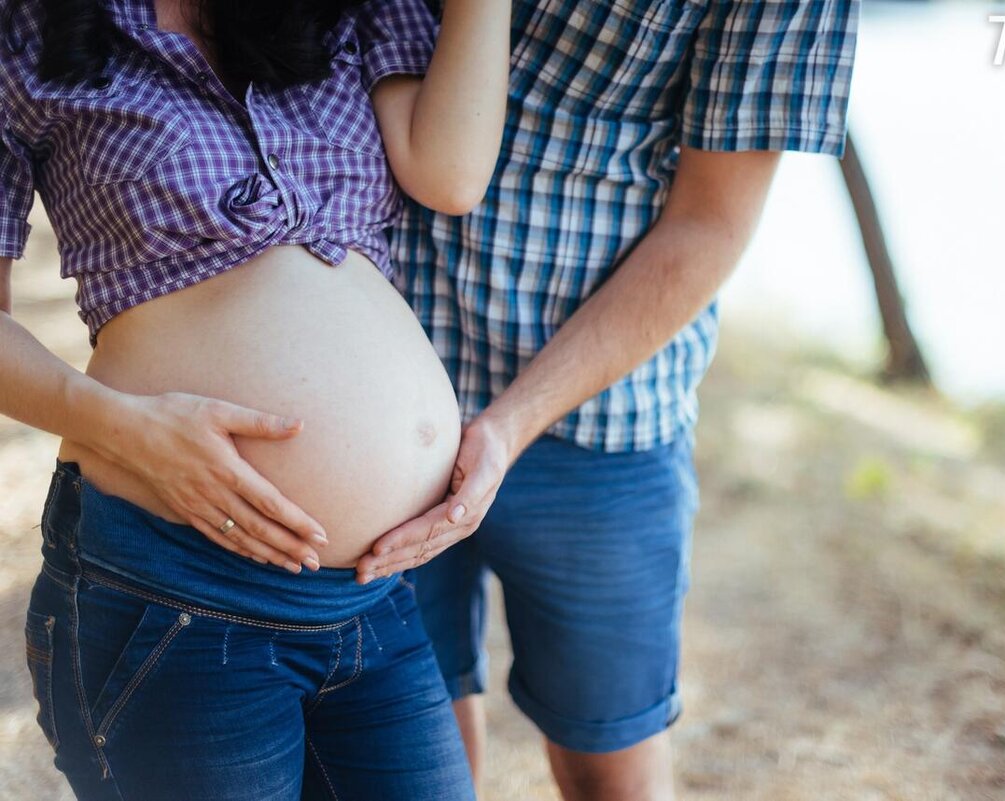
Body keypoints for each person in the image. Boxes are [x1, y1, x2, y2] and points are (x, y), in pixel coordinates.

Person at [0, 0, 508, 797]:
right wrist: (123, 427)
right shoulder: (28, 29)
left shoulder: (352, 11)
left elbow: (452, 176)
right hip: (176, 588)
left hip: (375, 597)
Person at [355, 0, 862, 798]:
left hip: (598, 420)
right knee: (408, 754)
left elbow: (711, 222)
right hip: (383, 386)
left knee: (609, 768)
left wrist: (513, 421)